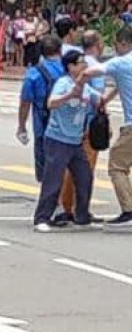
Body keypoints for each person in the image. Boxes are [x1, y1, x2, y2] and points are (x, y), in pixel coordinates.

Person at [32, 50, 99, 232]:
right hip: (57, 139)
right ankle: (42, 217)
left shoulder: (86, 87)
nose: (84, 65)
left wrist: (118, 89)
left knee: (85, 177)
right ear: (70, 66)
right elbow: (51, 103)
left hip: (75, 141)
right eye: (80, 63)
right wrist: (69, 96)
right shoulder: (63, 83)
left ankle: (82, 215)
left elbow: (99, 101)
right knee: (53, 180)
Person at [82, 25, 132, 229]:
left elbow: (93, 71)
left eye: (116, 45)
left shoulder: (121, 62)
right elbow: (122, 87)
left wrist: (77, 80)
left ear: (123, 44)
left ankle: (128, 211)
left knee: (117, 166)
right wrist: (105, 99)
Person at [57, 30, 105, 224]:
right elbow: (98, 99)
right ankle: (80, 208)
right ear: (98, 44)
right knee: (85, 169)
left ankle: (67, 205)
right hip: (88, 124)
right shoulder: (95, 68)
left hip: (71, 124)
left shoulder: (78, 64)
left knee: (70, 168)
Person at [17, 35, 63, 182]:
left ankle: (49, 193)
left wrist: (22, 126)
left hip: (43, 125)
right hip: (68, 124)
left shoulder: (34, 73)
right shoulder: (69, 69)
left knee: (45, 163)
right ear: (60, 50)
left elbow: (25, 102)